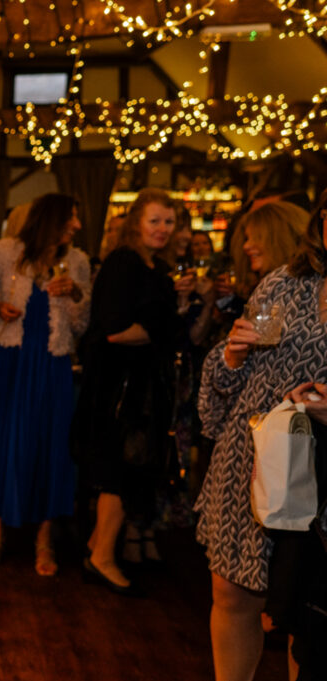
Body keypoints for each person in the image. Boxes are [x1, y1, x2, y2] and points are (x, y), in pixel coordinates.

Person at [195, 194, 319, 681]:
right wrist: (230, 357)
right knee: (231, 592)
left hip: (312, 462)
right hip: (247, 458)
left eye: (253, 235)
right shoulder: (277, 285)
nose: (245, 246)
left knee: (305, 612)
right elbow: (223, 385)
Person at [0, 193, 90, 576]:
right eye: (71, 219)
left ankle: (44, 539)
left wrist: (75, 295)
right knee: (3, 444)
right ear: (51, 220)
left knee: (50, 447)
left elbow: (82, 325)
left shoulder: (77, 262)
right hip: (9, 361)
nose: (77, 226)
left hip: (52, 366)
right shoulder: (4, 253)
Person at [73, 188, 182, 595]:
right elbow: (117, 330)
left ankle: (95, 549)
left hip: (137, 386)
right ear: (137, 221)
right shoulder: (124, 262)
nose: (162, 229)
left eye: (169, 221)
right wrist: (161, 331)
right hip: (119, 389)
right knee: (117, 473)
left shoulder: (152, 265)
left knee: (123, 472)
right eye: (155, 220)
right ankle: (102, 557)